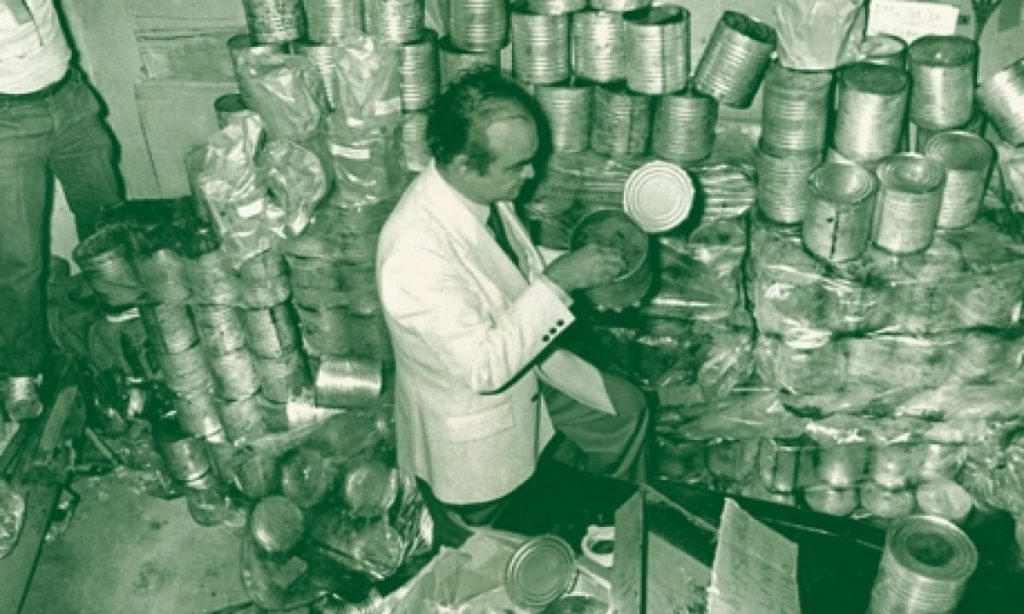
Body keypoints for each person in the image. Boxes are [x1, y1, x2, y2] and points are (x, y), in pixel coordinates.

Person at [377, 68, 649, 546]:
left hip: (528, 368)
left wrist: (580, 267)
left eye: (532, 160)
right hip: (478, 422)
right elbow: (485, 368)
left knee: (626, 411)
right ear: (463, 162)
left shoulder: (475, 191)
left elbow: (507, 267)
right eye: (518, 166)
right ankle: (560, 526)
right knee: (509, 547)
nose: (532, 174)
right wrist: (563, 279)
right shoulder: (413, 255)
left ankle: (614, 516)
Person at [1, 0, 124, 418]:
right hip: (8, 120)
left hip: (70, 99)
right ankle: (22, 371)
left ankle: (124, 321)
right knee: (20, 260)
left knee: (106, 223)